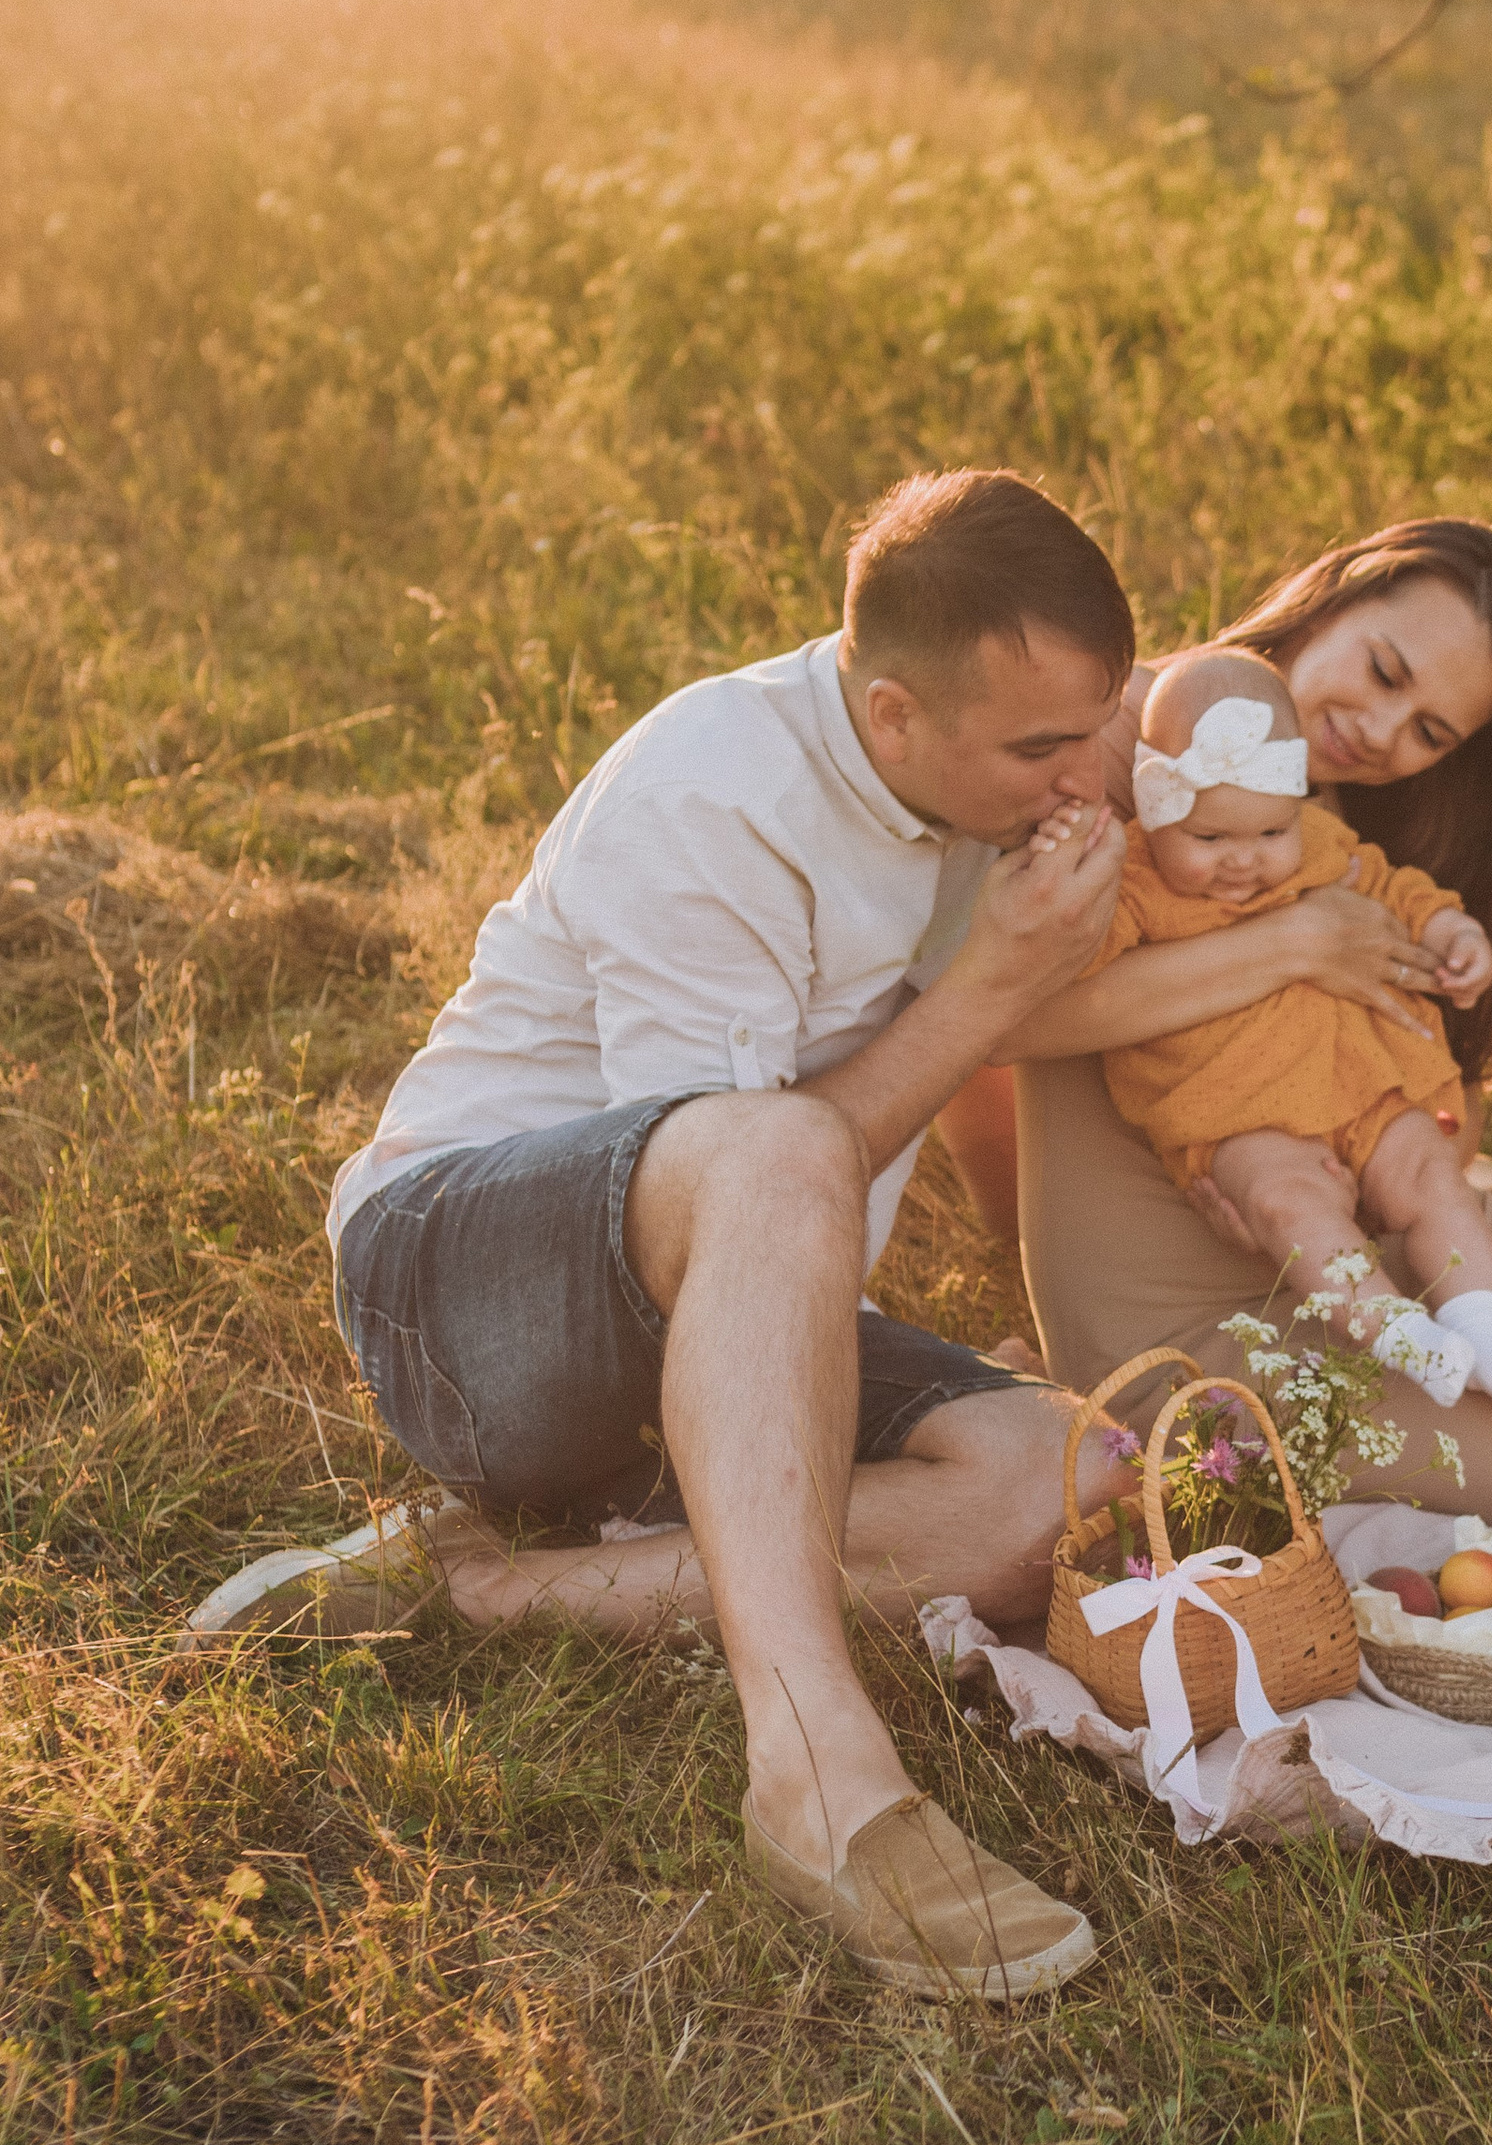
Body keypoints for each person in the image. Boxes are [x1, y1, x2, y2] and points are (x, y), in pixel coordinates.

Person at [201, 468, 1139, 2006]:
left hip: (736, 1295)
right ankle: (817, 1769)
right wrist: (992, 990)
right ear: (894, 718)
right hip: (459, 1297)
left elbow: (1232, 716)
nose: (1079, 774)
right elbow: (737, 1182)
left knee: (1069, 1480)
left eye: (1090, 724)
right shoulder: (718, 795)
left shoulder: (1011, 756)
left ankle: (481, 1588)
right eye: (1042, 746)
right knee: (771, 1142)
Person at [982, 518, 1492, 1521]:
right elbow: (997, 1019)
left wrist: (1410, 1164)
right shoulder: (1122, 737)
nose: (1381, 731)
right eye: (1384, 670)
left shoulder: (1354, 822)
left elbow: (1449, 1087)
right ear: (1331, 600)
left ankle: (1471, 1255)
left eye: (1430, 732)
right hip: (1185, 1294)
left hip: (1350, 1224)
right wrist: (1296, 943)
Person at [1095, 647, 1492, 1412]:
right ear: (1155, 807)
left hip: (1357, 1079)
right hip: (1238, 1111)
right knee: (1286, 1207)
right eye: (1209, 840)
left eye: (1270, 833)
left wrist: (1450, 930)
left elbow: (1392, 887)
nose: (1244, 860)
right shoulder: (1133, 884)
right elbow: (1081, 968)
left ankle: (1486, 1329)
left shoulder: (1316, 843)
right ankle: (1399, 1335)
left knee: (1431, 1176)